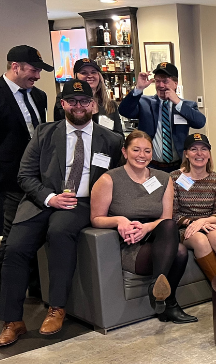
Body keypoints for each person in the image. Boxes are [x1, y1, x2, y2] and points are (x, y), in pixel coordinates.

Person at [0, 80, 124, 346]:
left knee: (59, 233)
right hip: (41, 199)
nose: (79, 106)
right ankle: (13, 320)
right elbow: (25, 175)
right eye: (73, 101)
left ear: (93, 104)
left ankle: (57, 307)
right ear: (63, 104)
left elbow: (119, 180)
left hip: (80, 203)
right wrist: (49, 197)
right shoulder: (44, 134)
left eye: (84, 101)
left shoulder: (111, 140)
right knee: (14, 248)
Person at [90, 130, 196, 323]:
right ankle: (168, 302)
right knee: (179, 252)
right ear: (124, 151)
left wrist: (147, 228)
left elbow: (165, 218)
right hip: (130, 246)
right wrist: (119, 220)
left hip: (158, 239)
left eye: (147, 151)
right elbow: (96, 218)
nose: (142, 155)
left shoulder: (164, 179)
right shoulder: (108, 180)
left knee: (170, 226)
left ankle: (159, 289)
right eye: (136, 150)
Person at [1, 45, 51, 248]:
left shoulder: (39, 96)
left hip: (35, 181)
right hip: (7, 184)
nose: (38, 76)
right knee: (11, 239)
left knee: (32, 239)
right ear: (15, 67)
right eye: (34, 70)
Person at [117, 62, 205, 172]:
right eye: (158, 81)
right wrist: (139, 88)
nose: (161, 85)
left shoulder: (187, 105)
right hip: (150, 166)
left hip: (179, 167)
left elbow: (200, 122)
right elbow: (124, 111)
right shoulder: (144, 103)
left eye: (165, 81)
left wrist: (177, 102)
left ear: (175, 83)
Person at [169, 133, 216, 281]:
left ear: (209, 154)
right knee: (200, 241)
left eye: (204, 149)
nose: (199, 153)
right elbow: (174, 213)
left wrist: (203, 222)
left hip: (211, 224)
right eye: (193, 149)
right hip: (187, 228)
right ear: (186, 154)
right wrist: (193, 223)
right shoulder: (174, 178)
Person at [52, 58, 123, 133]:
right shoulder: (65, 99)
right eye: (84, 73)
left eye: (93, 72)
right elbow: (59, 130)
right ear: (76, 76)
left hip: (106, 144)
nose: (90, 76)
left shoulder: (110, 104)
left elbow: (119, 135)